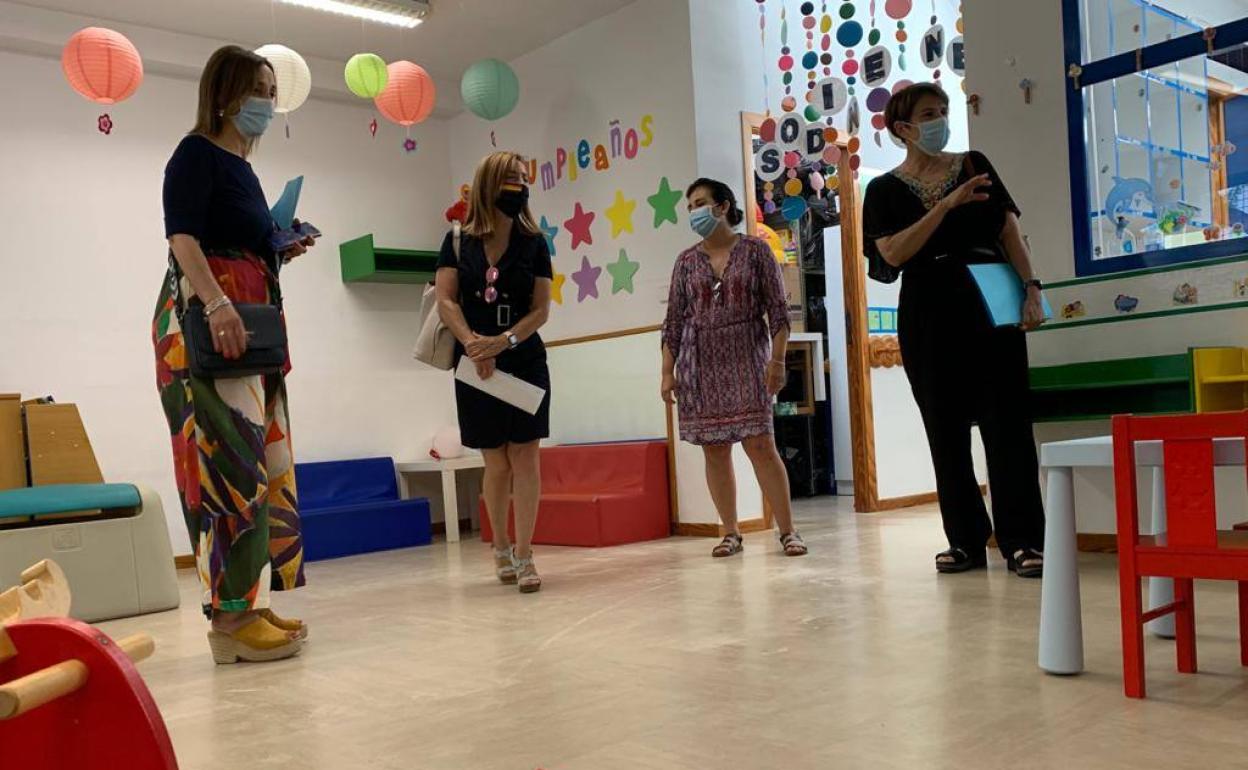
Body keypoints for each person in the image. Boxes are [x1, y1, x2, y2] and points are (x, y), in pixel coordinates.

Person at [154, 45, 316, 664]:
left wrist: (278, 244)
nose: (267, 104)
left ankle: (246, 600)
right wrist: (219, 304)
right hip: (212, 325)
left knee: (261, 459)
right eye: (258, 90)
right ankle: (229, 621)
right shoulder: (195, 153)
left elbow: (235, 238)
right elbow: (183, 237)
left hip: (248, 326)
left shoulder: (242, 167)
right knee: (228, 466)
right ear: (224, 94)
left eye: (271, 93)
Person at [863, 82, 1046, 578]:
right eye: (928, 113)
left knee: (1007, 425)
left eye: (943, 110)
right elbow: (893, 255)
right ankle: (965, 541)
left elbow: (1009, 230)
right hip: (927, 310)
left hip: (989, 299)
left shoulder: (973, 163)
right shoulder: (882, 190)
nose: (939, 119)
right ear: (902, 128)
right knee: (944, 430)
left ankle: (1023, 540)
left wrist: (1031, 288)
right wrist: (944, 208)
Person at [661, 178, 808, 558]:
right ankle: (729, 532)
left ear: (723, 206)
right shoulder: (685, 261)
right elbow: (674, 321)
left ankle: (788, 530)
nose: (694, 211)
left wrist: (776, 362)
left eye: (700, 203)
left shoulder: (757, 251)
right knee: (714, 449)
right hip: (700, 363)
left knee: (760, 444)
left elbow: (778, 312)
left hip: (748, 357)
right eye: (689, 206)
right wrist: (667, 371)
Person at [435, 151, 553, 593]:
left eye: (523, 179)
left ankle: (525, 554)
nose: (519, 186)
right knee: (496, 460)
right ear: (487, 184)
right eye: (509, 179)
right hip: (474, 362)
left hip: (523, 358)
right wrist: (472, 343)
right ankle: (500, 546)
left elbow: (540, 310)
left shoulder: (535, 242)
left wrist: (504, 342)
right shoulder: (457, 240)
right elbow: (447, 300)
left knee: (525, 455)